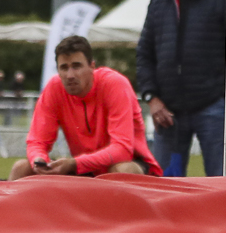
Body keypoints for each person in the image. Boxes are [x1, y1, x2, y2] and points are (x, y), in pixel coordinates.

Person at [136, 0, 226, 176]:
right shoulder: (160, 1)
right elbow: (144, 54)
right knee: (164, 184)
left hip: (213, 107)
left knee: (222, 182)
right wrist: (152, 98)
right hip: (168, 111)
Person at [11, 35, 161, 178]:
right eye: (64, 68)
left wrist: (74, 164)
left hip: (128, 164)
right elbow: (37, 141)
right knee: (21, 167)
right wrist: (39, 160)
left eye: (76, 66)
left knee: (122, 170)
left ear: (92, 66)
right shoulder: (54, 88)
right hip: (83, 167)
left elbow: (122, 150)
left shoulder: (115, 84)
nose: (70, 75)